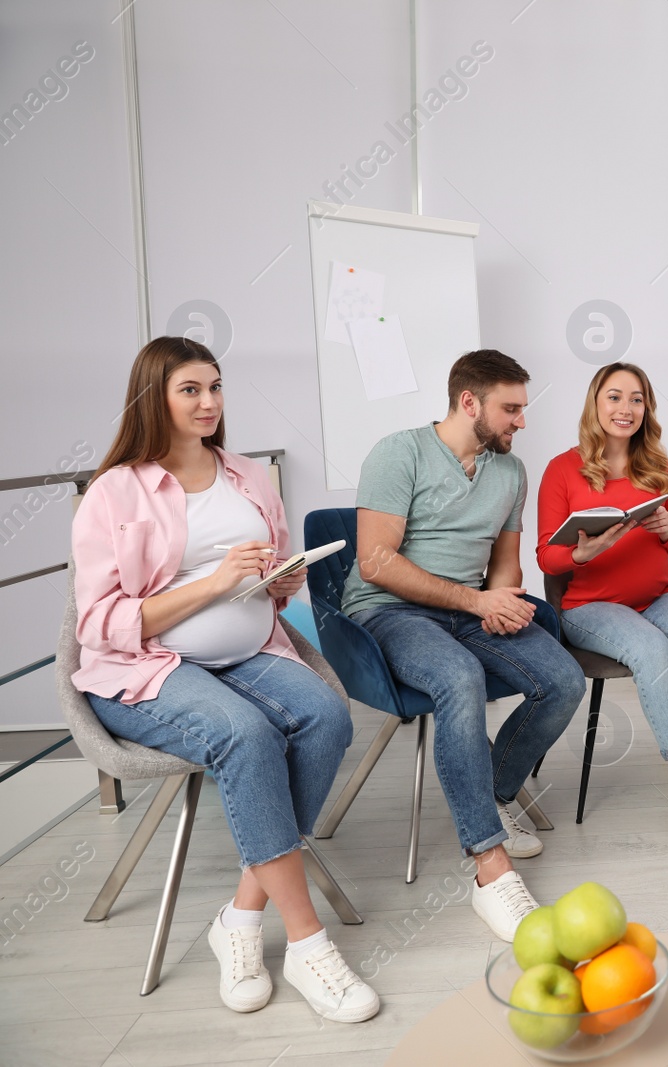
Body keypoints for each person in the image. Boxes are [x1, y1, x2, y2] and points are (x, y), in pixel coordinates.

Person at [72, 337, 377, 1022]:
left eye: (215, 387)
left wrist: (280, 583)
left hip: (252, 650)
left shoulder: (245, 474)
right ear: (156, 396)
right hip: (151, 670)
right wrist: (214, 583)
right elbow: (99, 622)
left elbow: (262, 581)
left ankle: (240, 918)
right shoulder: (115, 490)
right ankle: (307, 942)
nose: (209, 402)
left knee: (328, 715)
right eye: (191, 390)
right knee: (247, 734)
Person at [343, 349, 585, 941]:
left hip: (469, 608)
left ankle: (493, 791)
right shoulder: (398, 453)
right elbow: (375, 563)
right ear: (468, 401)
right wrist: (477, 602)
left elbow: (504, 566)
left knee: (563, 680)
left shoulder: (510, 471)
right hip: (390, 613)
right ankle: (489, 868)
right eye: (510, 409)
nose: (520, 422)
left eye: (523, 409)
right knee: (459, 678)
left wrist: (500, 603)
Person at [536, 362, 668, 850]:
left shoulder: (659, 466)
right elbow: (547, 555)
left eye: (636, 398)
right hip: (589, 605)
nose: (625, 408)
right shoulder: (562, 469)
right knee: (653, 652)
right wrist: (582, 552)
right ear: (595, 403)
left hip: (658, 595)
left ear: (646, 408)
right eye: (614, 397)